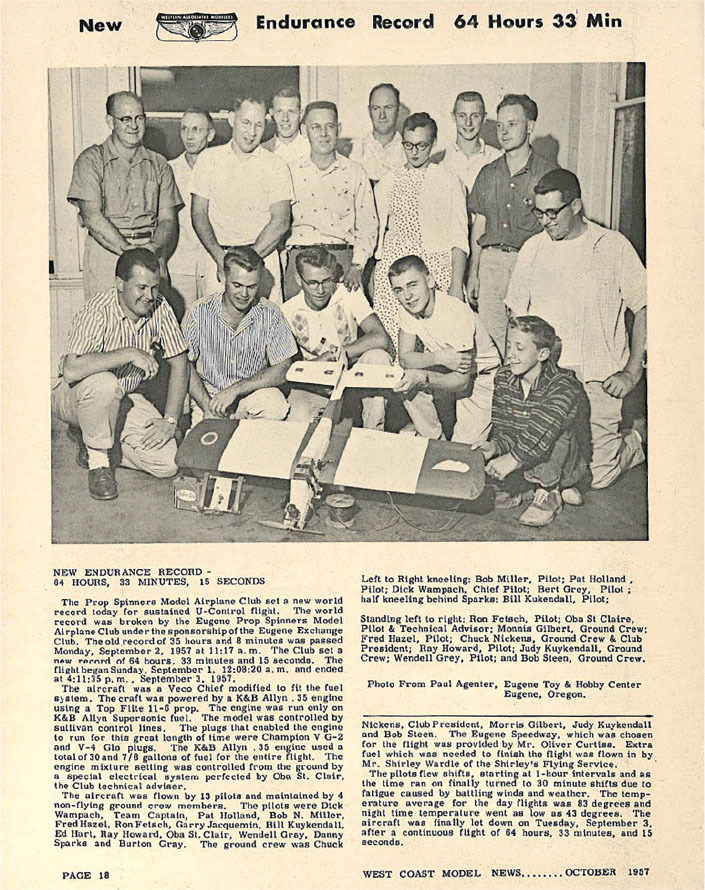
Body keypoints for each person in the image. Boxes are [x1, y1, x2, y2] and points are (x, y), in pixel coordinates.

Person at [505, 168, 647, 490]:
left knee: (597, 477)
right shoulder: (532, 249)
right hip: (549, 380)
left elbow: (645, 307)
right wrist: (515, 374)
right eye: (539, 212)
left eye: (553, 212)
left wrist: (631, 372)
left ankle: (638, 436)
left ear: (576, 205)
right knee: (547, 469)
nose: (545, 221)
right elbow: (516, 319)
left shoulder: (612, 246)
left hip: (598, 377)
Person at [51, 248, 189, 501]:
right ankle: (98, 462)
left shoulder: (160, 306)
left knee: (167, 463)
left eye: (154, 287)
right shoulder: (98, 310)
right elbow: (71, 371)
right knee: (105, 382)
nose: (149, 296)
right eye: (141, 287)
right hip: (76, 397)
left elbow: (180, 363)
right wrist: (128, 353)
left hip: (124, 398)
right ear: (119, 284)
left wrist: (169, 421)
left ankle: (96, 441)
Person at [476, 316, 590, 527]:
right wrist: (494, 446)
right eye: (509, 346)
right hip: (525, 460)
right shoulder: (503, 378)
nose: (510, 355)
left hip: (562, 463)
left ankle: (549, 492)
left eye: (519, 348)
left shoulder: (565, 384)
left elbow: (542, 429)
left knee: (555, 430)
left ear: (543, 354)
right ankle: (527, 489)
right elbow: (505, 429)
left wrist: (513, 459)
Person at [468, 94, 558, 358]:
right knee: (492, 345)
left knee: (526, 343)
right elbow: (479, 225)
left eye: (512, 124)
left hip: (529, 264)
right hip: (491, 265)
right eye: (500, 125)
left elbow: (554, 230)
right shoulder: (488, 173)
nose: (504, 132)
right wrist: (474, 273)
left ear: (530, 127)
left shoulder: (547, 173)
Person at [67, 91, 182, 299]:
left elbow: (168, 219)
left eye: (139, 118)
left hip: (150, 252)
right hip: (108, 254)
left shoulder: (159, 164)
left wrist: (153, 247)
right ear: (110, 122)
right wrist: (127, 250)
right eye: (125, 119)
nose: (134, 126)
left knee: (153, 324)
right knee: (106, 322)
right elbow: (91, 216)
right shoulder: (91, 160)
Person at [373, 113, 468, 355]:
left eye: (422, 145)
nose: (414, 152)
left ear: (433, 143)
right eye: (408, 145)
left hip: (435, 272)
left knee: (435, 346)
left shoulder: (449, 181)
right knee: (396, 346)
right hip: (394, 275)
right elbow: (378, 234)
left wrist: (456, 286)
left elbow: (459, 238)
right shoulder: (388, 181)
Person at [190, 95, 293, 304]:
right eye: (245, 123)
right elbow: (198, 214)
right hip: (218, 261)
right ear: (231, 119)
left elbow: (281, 221)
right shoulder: (208, 160)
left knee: (266, 331)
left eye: (259, 124)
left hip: (262, 262)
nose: (252, 132)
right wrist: (222, 260)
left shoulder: (276, 165)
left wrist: (246, 264)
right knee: (214, 330)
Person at [390, 255, 500, 444]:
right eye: (399, 290)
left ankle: (443, 442)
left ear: (430, 280)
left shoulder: (455, 313)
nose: (407, 296)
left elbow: (461, 382)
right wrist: (438, 358)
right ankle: (434, 440)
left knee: (462, 452)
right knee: (406, 378)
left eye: (413, 285)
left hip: (480, 377)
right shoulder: (407, 308)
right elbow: (405, 358)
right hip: (447, 368)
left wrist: (424, 377)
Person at [182, 247, 297, 425]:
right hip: (209, 399)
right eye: (237, 285)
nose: (244, 294)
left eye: (251, 287)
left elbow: (283, 368)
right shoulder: (198, 311)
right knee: (201, 450)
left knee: (274, 405)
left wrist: (236, 389)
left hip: (249, 396)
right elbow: (184, 365)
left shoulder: (271, 313)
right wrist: (207, 407)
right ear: (223, 277)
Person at [283, 246, 392, 429]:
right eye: (312, 283)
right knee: (296, 420)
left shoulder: (348, 293)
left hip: (352, 376)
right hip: (316, 383)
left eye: (327, 281)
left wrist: (338, 355)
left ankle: (373, 435)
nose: (320, 290)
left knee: (378, 358)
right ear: (298, 280)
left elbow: (380, 338)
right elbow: (287, 367)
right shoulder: (287, 311)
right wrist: (317, 366)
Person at [284, 101, 377, 299]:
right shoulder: (289, 172)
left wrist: (357, 266)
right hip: (300, 262)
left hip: (342, 266)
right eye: (316, 127)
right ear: (304, 130)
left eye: (330, 126)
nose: (323, 134)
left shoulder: (355, 172)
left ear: (339, 129)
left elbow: (368, 225)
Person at [167, 109, 216, 317]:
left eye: (196, 129)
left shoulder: (220, 167)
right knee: (181, 326)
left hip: (213, 262)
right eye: (185, 129)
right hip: (179, 264)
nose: (189, 135)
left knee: (213, 326)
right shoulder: (169, 170)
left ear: (210, 135)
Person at [438, 91, 502, 195]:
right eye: (462, 116)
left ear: (484, 117)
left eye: (475, 116)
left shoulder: (498, 158)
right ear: (453, 117)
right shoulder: (439, 160)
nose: (468, 122)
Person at [349, 83, 406, 185]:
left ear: (398, 110)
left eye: (388, 107)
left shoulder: (409, 151)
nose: (382, 115)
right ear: (369, 111)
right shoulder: (354, 150)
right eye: (376, 108)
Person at [261, 86, 309, 163]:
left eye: (291, 111)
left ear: (301, 114)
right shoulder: (262, 151)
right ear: (271, 113)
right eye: (279, 112)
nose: (285, 118)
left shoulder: (312, 148)